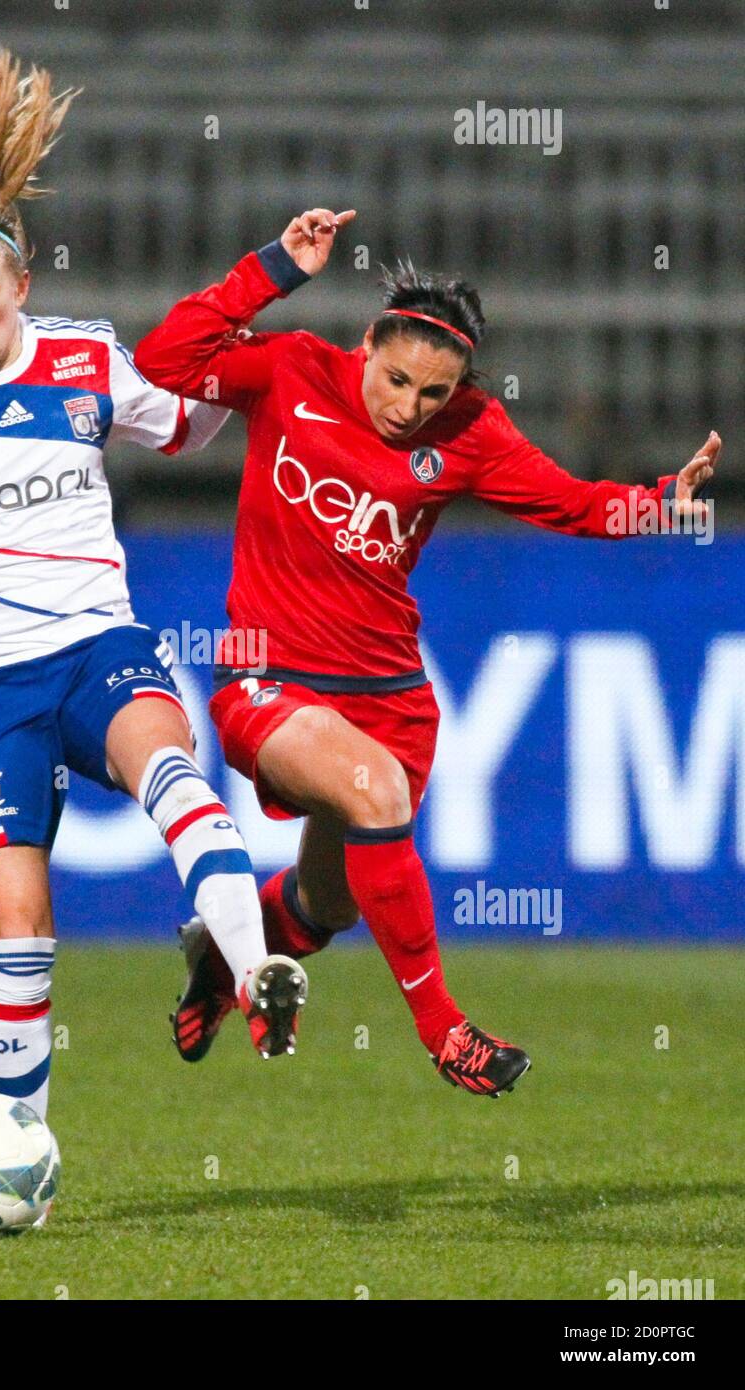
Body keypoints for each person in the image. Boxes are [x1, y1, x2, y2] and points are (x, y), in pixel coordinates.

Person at [0, 52, 310, 1127]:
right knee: (19, 926)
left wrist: (260, 326)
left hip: (93, 641)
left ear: (21, 285)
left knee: (167, 762)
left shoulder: (81, 359)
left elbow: (185, 421)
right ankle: (20, 1143)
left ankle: (255, 965)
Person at [134, 206, 719, 1097]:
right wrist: (270, 271)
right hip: (269, 679)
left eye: (433, 394)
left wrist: (660, 500)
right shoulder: (291, 370)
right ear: (368, 343)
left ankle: (221, 957)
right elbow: (160, 362)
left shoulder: (472, 432)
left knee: (323, 906)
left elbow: (573, 503)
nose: (408, 408)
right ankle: (446, 1034)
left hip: (391, 697)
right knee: (373, 792)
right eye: (397, 379)